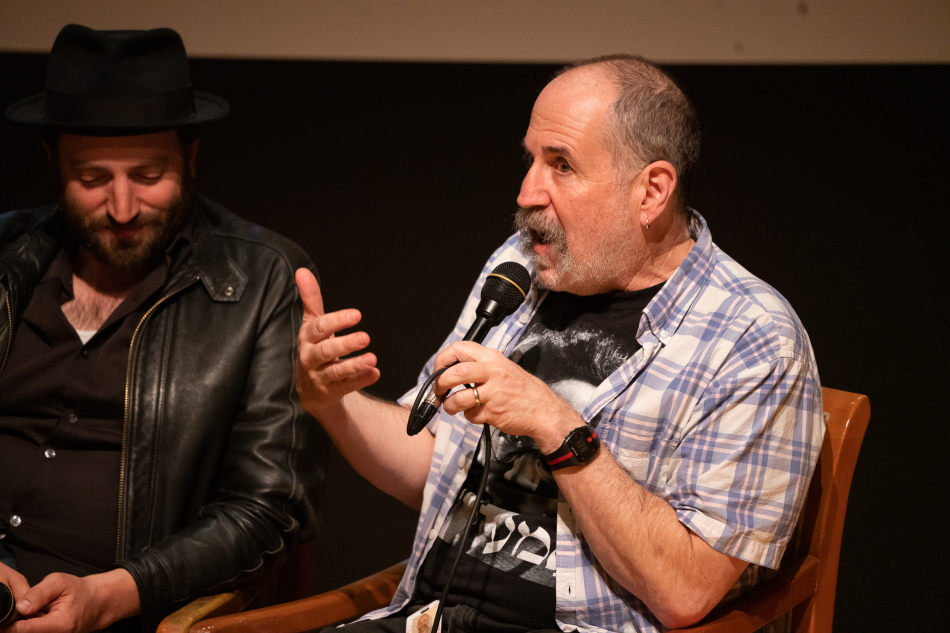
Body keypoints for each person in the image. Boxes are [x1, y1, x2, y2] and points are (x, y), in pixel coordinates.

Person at [296, 54, 824, 633]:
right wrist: (331, 402)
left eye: (562, 165)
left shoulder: (751, 340)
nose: (527, 193)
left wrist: (555, 424)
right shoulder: (520, 267)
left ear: (651, 191)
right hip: (425, 617)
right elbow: (432, 460)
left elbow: (685, 590)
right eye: (531, 161)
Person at [0, 25, 326, 632]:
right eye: (92, 179)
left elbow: (268, 507)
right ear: (51, 160)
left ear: (191, 156)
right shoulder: (7, 258)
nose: (122, 208)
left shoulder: (261, 281)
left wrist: (114, 594)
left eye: (149, 175)